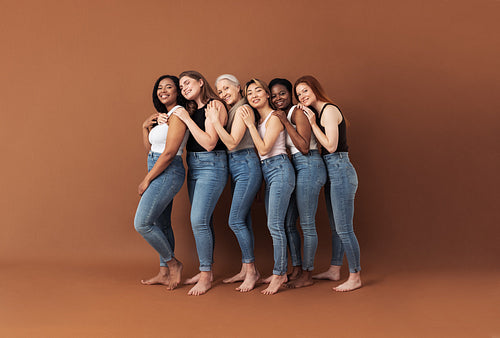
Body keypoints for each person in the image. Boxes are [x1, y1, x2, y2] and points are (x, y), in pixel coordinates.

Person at [295, 75, 362, 292]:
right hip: (331, 171)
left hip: (340, 169)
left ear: (315, 89)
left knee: (344, 228)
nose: (302, 96)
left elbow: (331, 146)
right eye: (299, 94)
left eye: (305, 90)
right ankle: (335, 269)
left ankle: (355, 275)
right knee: (336, 227)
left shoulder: (329, 110)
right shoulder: (317, 111)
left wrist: (313, 123)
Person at [205, 74, 262, 292]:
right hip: (237, 166)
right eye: (219, 91)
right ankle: (245, 269)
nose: (223, 93)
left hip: (245, 164)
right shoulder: (233, 109)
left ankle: (252, 271)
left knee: (235, 220)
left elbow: (231, 143)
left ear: (238, 88)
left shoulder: (241, 109)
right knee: (244, 220)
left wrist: (214, 122)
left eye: (227, 88)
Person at [173, 70, 228, 296]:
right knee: (204, 220)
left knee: (198, 220)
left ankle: (205, 275)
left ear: (200, 81)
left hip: (212, 165)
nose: (184, 88)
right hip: (194, 166)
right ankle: (206, 270)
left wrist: (186, 119)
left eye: (187, 83)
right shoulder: (193, 109)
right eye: (181, 86)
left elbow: (209, 142)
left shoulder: (215, 106)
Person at [269, 78, 327, 288]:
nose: (278, 99)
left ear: (290, 94)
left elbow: (303, 147)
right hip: (297, 168)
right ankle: (297, 268)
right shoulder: (287, 113)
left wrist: (285, 122)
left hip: (310, 164)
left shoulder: (297, 111)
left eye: (282, 93)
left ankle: (307, 275)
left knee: (307, 224)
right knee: (287, 223)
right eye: (274, 95)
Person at [240, 79, 295, 295]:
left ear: (266, 94)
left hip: (280, 169)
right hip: (269, 172)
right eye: (249, 92)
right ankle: (279, 270)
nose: (253, 95)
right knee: (275, 225)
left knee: (275, 225)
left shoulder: (274, 118)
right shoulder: (262, 119)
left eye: (257, 91)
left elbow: (263, 149)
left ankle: (280, 273)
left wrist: (250, 125)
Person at [134, 75, 188, 290]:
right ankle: (164, 273)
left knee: (142, 223)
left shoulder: (179, 115)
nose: (163, 90)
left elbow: (169, 153)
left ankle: (173, 263)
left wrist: (146, 180)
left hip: (168, 170)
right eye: (159, 87)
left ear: (178, 92)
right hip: (156, 165)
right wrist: (144, 127)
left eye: (169, 87)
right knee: (161, 223)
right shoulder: (164, 116)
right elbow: (151, 150)